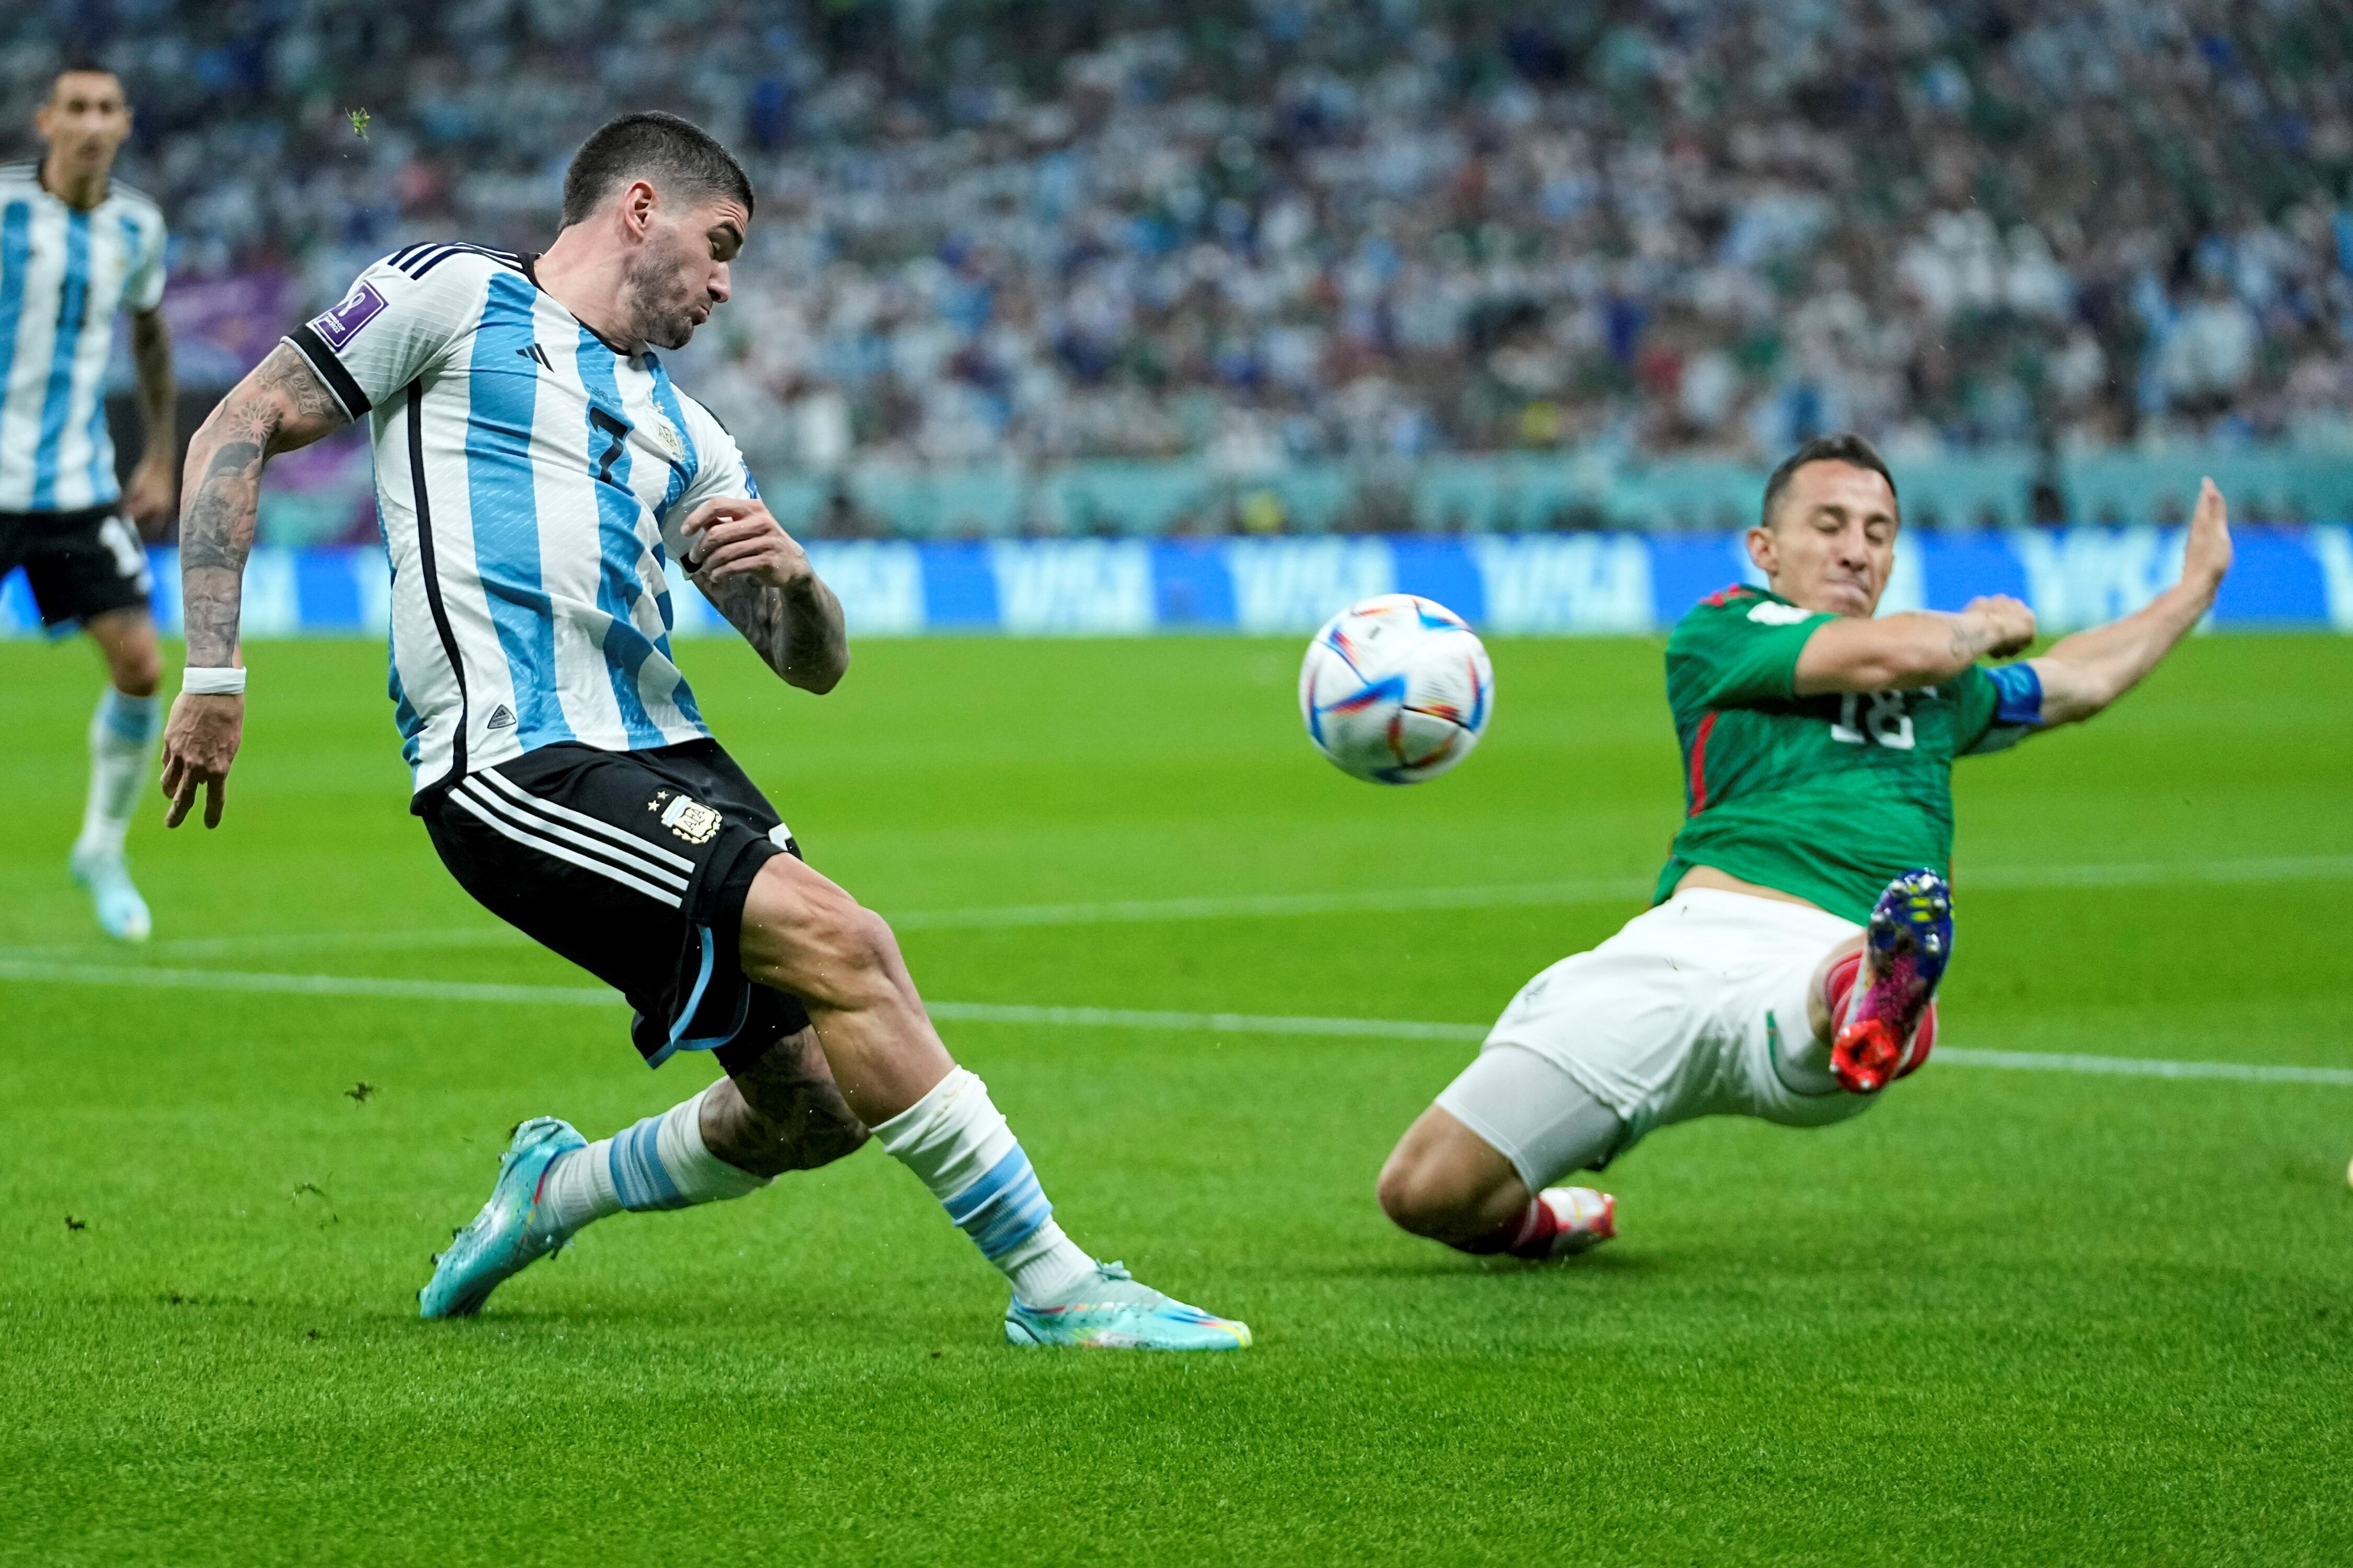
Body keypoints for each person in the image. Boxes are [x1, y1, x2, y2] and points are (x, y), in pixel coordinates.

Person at [155, 112, 1248, 1352]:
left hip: (668, 755)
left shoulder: (688, 429)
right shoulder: (452, 295)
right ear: (639, 210)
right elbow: (235, 429)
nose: (727, 286)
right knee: (849, 943)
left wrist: (799, 586)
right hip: (520, 761)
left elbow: (810, 667)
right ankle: (1059, 1288)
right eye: (720, 246)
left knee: (814, 1108)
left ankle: (551, 1191)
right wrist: (214, 675)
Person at [1376, 433, 2234, 1261]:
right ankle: (1555, 1220)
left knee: (1839, 988)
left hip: (1808, 966)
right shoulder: (1726, 630)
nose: (1857, 550)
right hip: (1676, 955)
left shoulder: (1942, 692)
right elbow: (1887, 652)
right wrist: (1971, 630)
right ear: (1766, 546)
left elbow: (2081, 680)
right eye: (1829, 525)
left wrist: (2195, 587)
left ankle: (1876, 990)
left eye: (1877, 532)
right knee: (1422, 1191)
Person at [1, 62, 176, 940]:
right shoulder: (1, 210)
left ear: (125, 122)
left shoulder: (136, 226)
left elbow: (148, 333)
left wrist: (160, 448)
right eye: (75, 108)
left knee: (142, 665)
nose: (91, 122)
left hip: (73, 486)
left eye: (107, 107)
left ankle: (102, 848)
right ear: (46, 121)